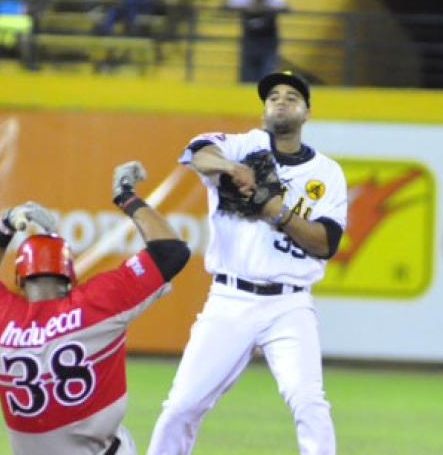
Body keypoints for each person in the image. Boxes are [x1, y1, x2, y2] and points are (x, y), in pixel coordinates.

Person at [146, 71, 347, 455]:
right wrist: (231, 168)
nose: (281, 101)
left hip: (290, 303)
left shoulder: (327, 173)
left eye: (292, 96)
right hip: (230, 299)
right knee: (181, 407)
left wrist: (279, 213)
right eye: (273, 96)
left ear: (307, 113)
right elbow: (198, 153)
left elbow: (326, 244)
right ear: (263, 111)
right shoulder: (241, 146)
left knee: (309, 404)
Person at [0, 161, 190, 455]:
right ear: (69, 276)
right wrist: (126, 197)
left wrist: (5, 225)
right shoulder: (98, 301)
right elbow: (171, 251)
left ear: (20, 278)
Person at [223, 0, 289, 83]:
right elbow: (226, 6)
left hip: (268, 44)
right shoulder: (244, 1)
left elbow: (286, 9)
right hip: (250, 43)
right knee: (248, 74)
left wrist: (264, 8)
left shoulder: (274, 2)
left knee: (266, 73)